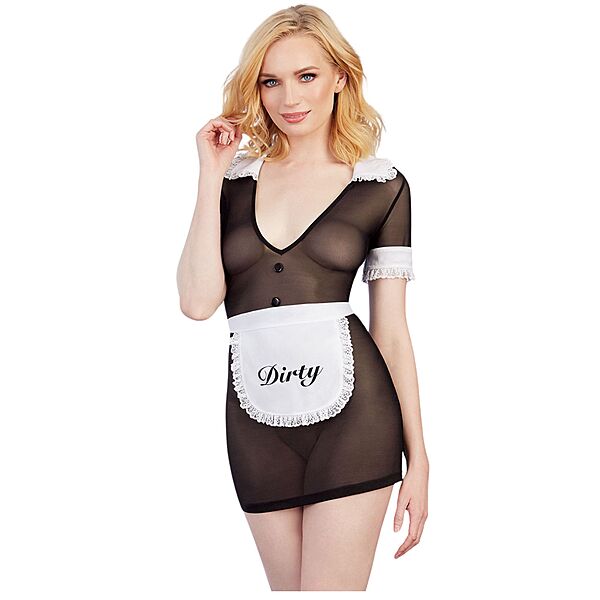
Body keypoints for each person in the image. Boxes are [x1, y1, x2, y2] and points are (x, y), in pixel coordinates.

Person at [177, 4, 429, 591]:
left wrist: (419, 458)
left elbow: (391, 332)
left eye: (306, 76)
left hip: (357, 419)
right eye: (271, 81)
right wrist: (209, 174)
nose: (289, 97)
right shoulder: (232, 183)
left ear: (340, 76)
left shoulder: (380, 186)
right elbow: (197, 303)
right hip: (254, 421)